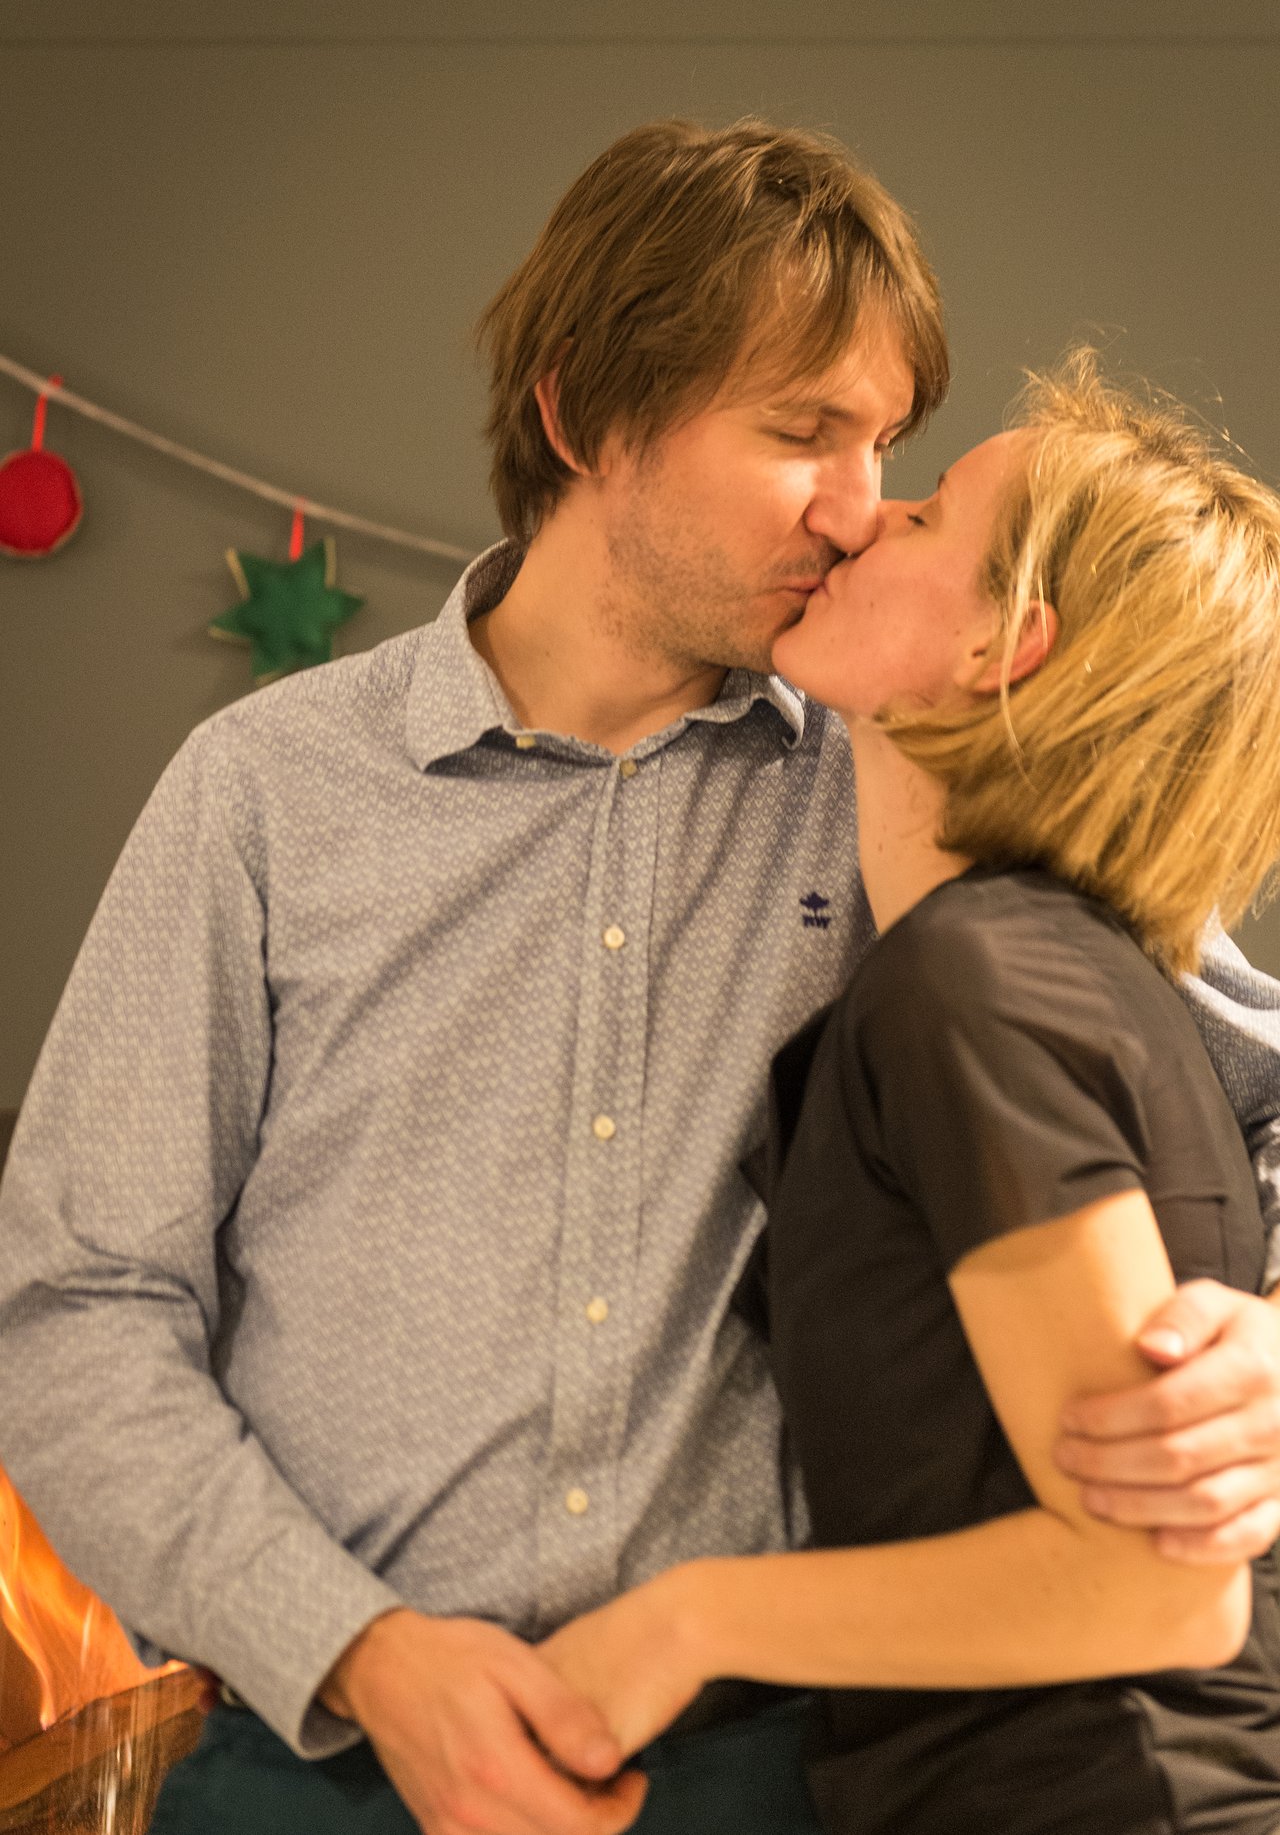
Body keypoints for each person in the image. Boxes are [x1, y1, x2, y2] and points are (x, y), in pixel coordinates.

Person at [2, 122, 1280, 1835]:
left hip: (782, 1774)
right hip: (322, 1762)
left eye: (885, 442)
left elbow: (1228, 1100)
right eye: (800, 431)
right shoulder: (265, 791)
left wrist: (1264, 1353)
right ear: (583, 416)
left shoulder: (920, 774)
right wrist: (364, 1654)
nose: (854, 503)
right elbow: (77, 1311)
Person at [537, 357, 1280, 1833]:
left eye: (928, 514)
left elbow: (1157, 1590)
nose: (867, 517)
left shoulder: (980, 981)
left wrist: (682, 1623)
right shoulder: (1035, 971)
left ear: (1010, 644)